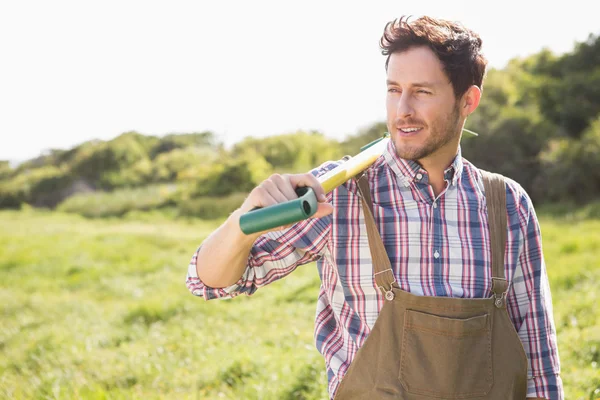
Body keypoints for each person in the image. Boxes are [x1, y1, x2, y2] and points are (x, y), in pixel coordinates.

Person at [186, 15, 563, 400]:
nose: (403, 110)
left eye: (422, 92)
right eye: (394, 89)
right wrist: (245, 220)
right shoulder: (341, 191)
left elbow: (538, 355)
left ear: (468, 100)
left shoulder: (507, 204)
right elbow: (210, 281)